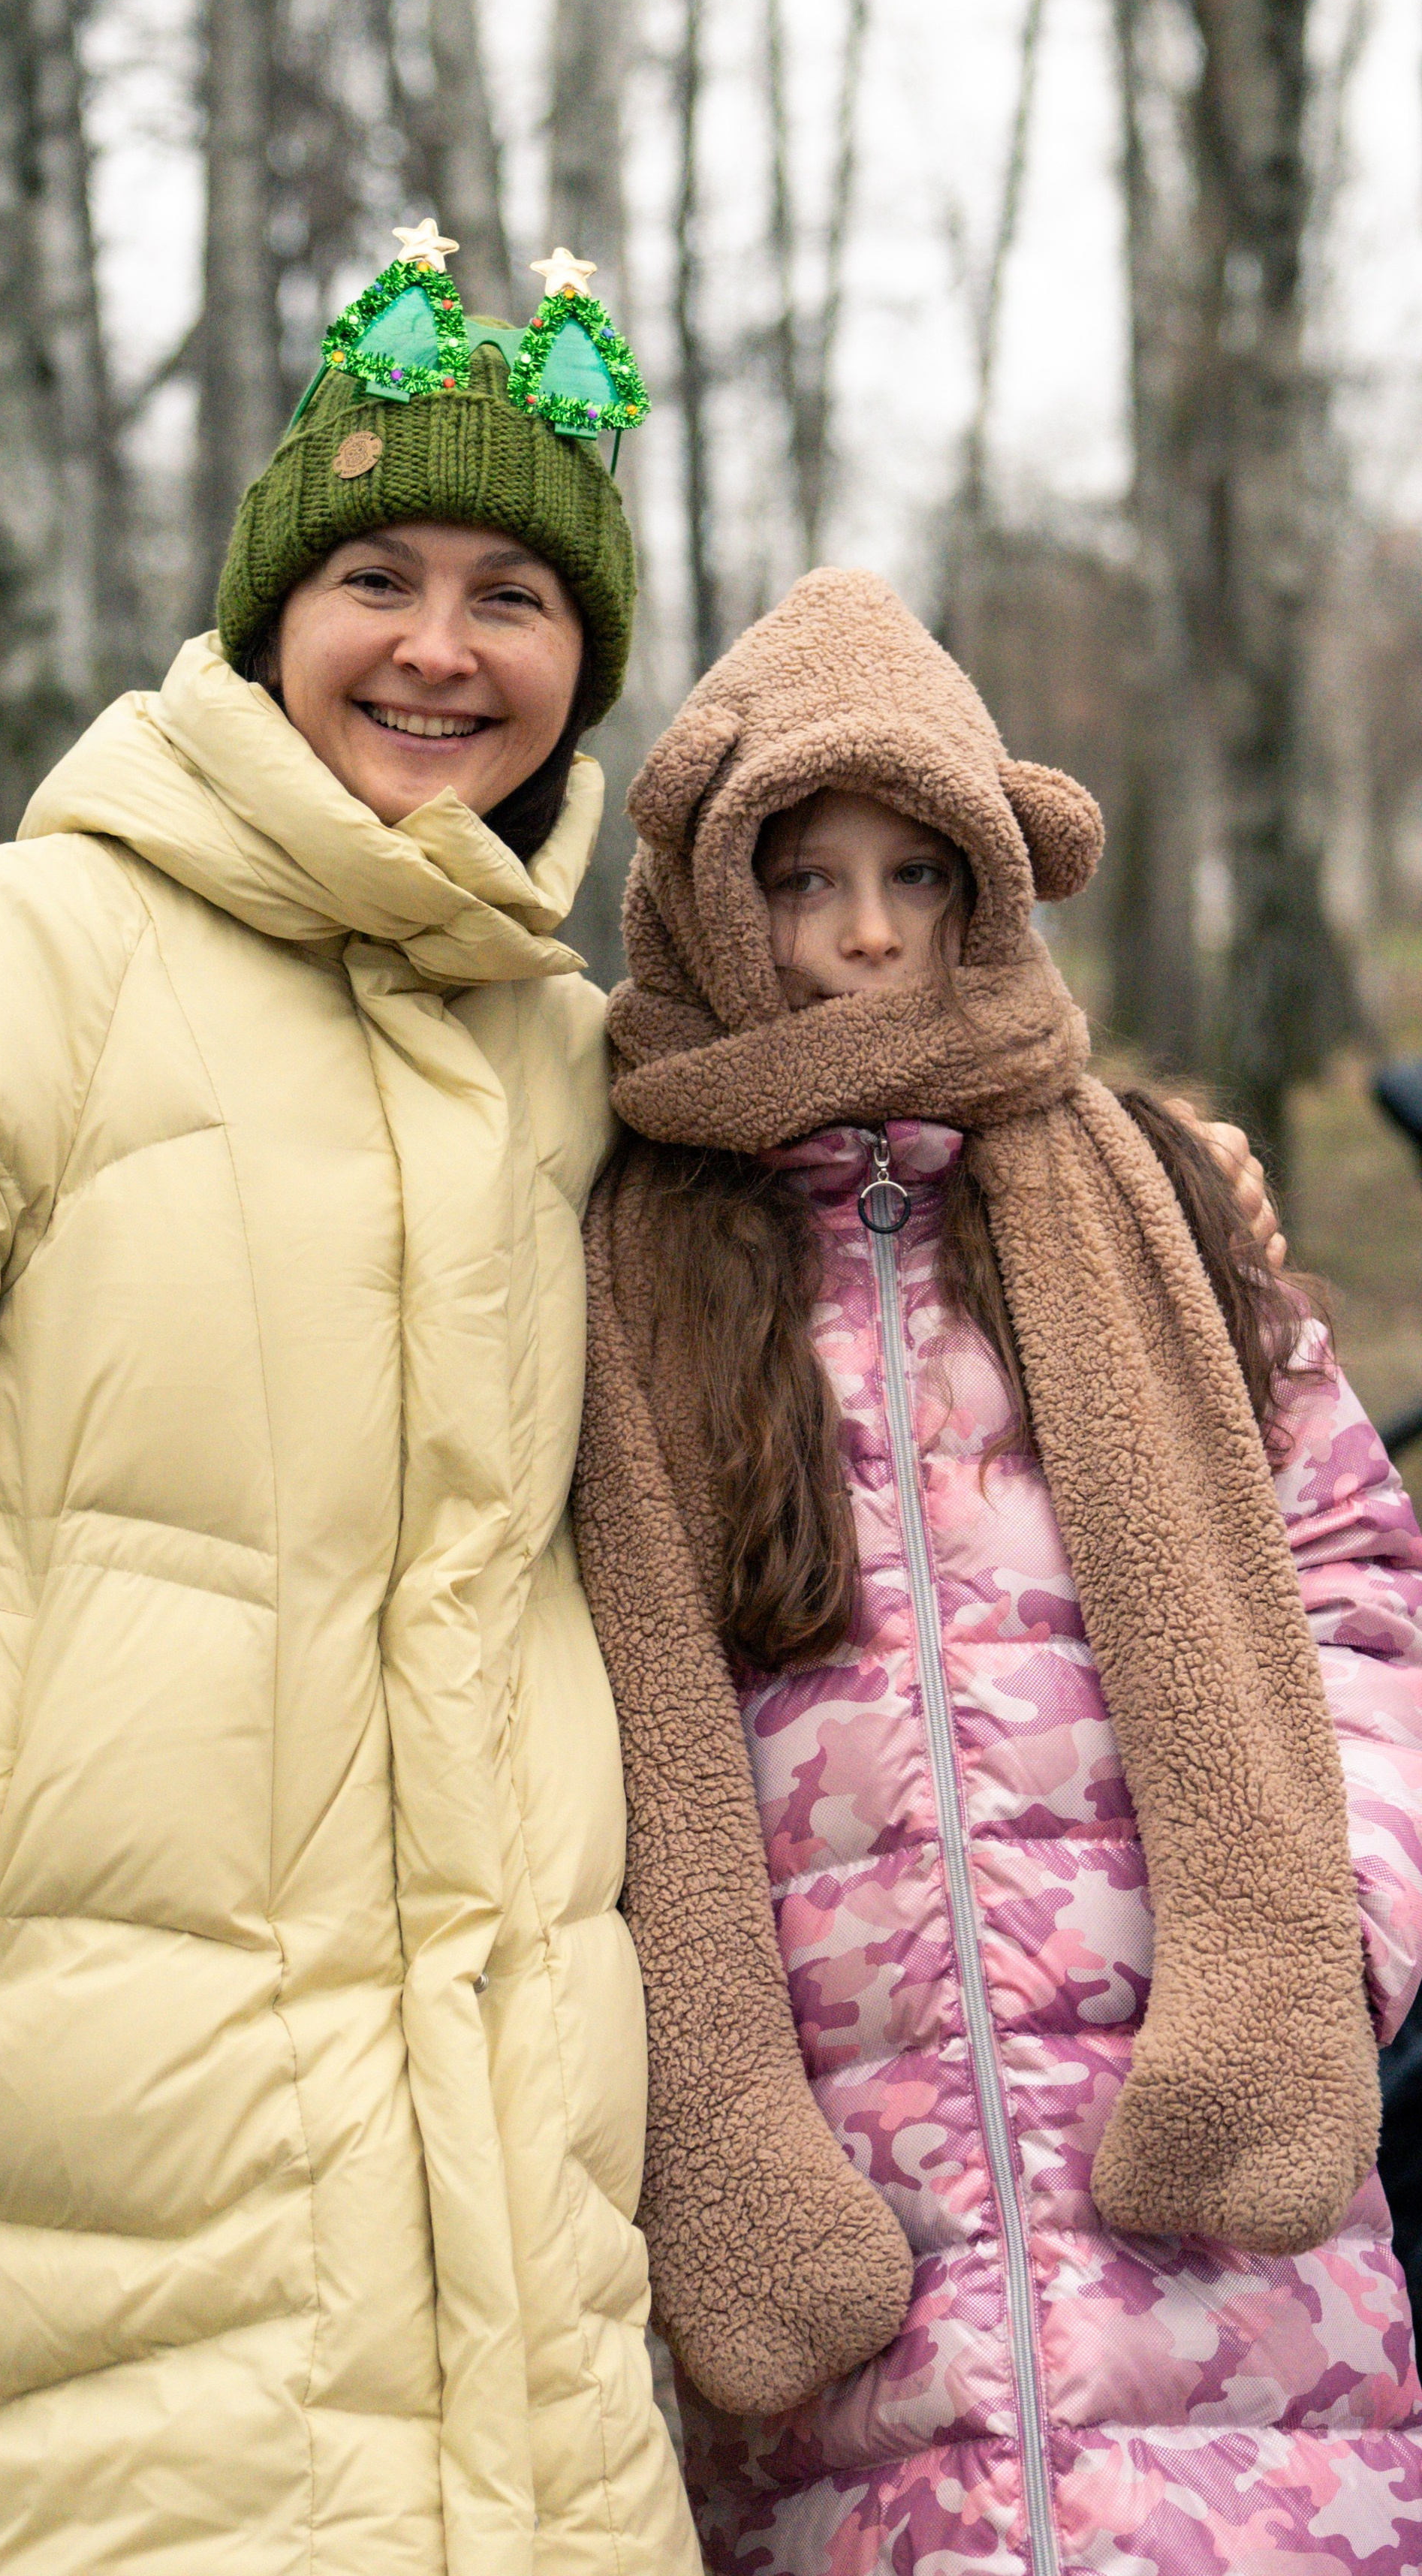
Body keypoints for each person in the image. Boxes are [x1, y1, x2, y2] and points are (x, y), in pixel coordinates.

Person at [0, 236, 704, 2573]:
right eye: (379, 573)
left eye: (514, 591)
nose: (439, 643)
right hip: (28, 2103)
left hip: (461, 2130)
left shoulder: (562, 1057)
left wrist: (1112, 1161)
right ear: (264, 614)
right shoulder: (23, 955)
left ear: (580, 660)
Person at [571, 568, 1422, 2574]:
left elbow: (1357, 1581)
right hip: (849, 2190)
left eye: (917, 878)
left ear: (989, 892)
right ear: (713, 902)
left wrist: (1339, 1914)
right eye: (804, 881)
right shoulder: (633, 1264)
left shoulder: (1152, 1209)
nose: (866, 935)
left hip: (1214, 2195)